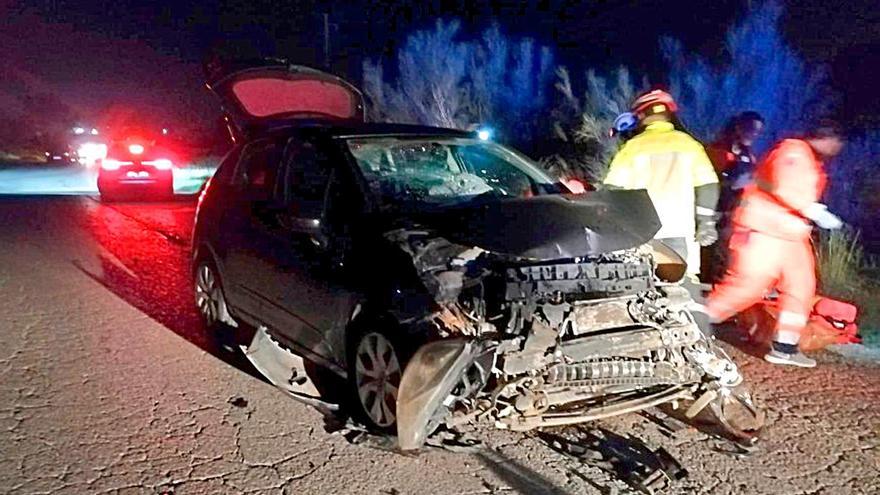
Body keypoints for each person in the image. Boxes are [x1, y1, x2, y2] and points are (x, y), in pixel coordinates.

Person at [706, 122, 845, 368]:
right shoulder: (793, 151)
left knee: (801, 287)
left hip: (790, 233)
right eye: (835, 141)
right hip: (763, 230)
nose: (837, 147)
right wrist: (810, 208)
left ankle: (785, 346)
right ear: (823, 138)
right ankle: (690, 324)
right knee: (747, 287)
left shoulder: (809, 159)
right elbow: (783, 184)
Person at [604, 90, 720, 335]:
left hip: (642, 232)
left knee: (640, 288)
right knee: (686, 287)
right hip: (679, 230)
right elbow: (708, 184)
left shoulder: (632, 148)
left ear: (641, 116)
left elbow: (612, 190)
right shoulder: (688, 145)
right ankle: (701, 346)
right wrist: (705, 221)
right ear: (669, 114)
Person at [704, 112, 765, 281]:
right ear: (738, 127)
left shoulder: (748, 156)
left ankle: (718, 280)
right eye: (750, 129)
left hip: (733, 213)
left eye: (757, 132)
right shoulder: (718, 149)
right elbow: (705, 180)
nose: (753, 134)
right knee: (709, 249)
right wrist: (729, 181)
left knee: (725, 252)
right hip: (713, 209)